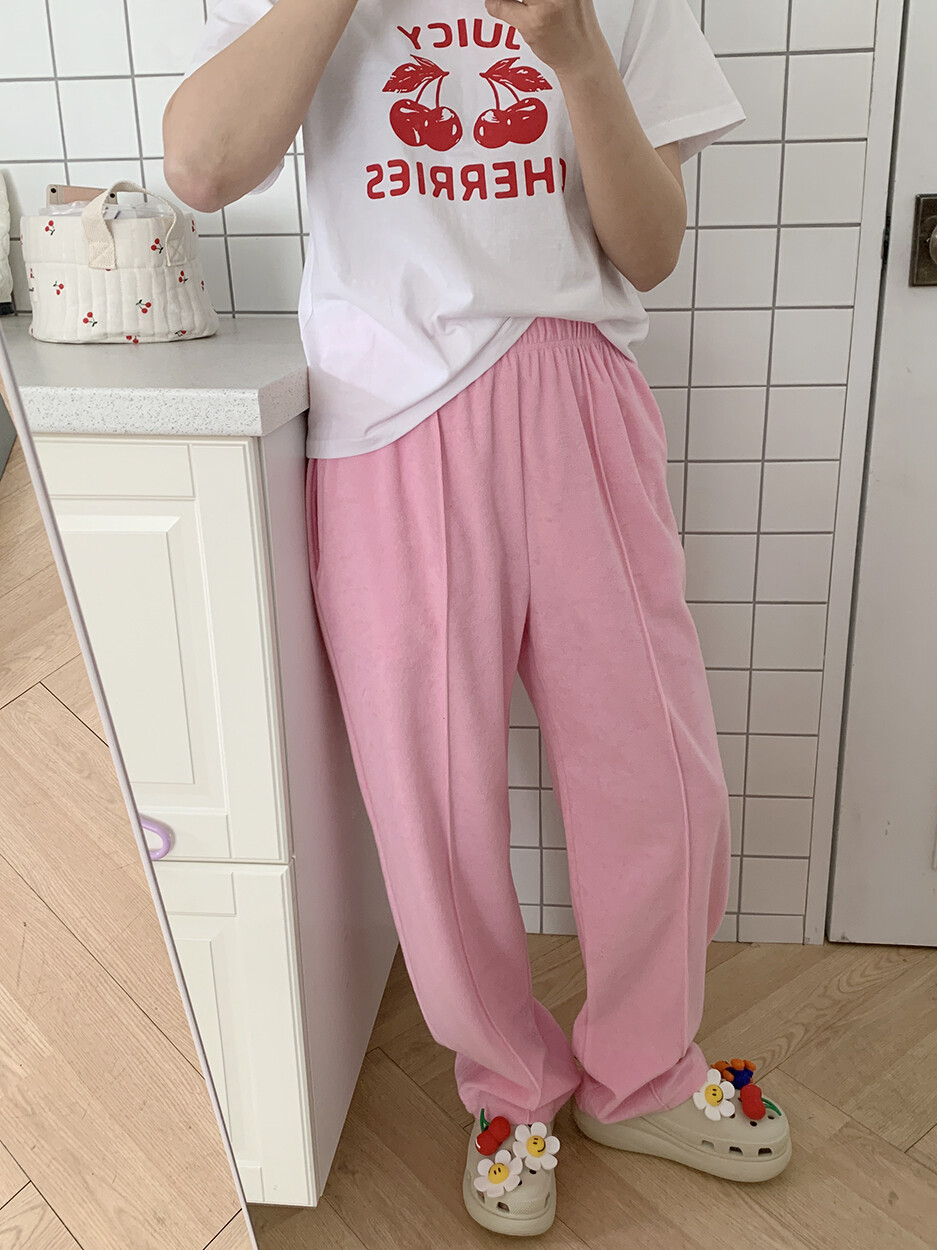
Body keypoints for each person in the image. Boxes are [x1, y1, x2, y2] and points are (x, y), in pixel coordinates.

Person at [165, 0, 792, 1236]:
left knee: (658, 773)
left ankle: (644, 1067)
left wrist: (573, 50)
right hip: (388, 417)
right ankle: (508, 1084)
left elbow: (650, 248)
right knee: (431, 799)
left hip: (578, 395)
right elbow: (202, 166)